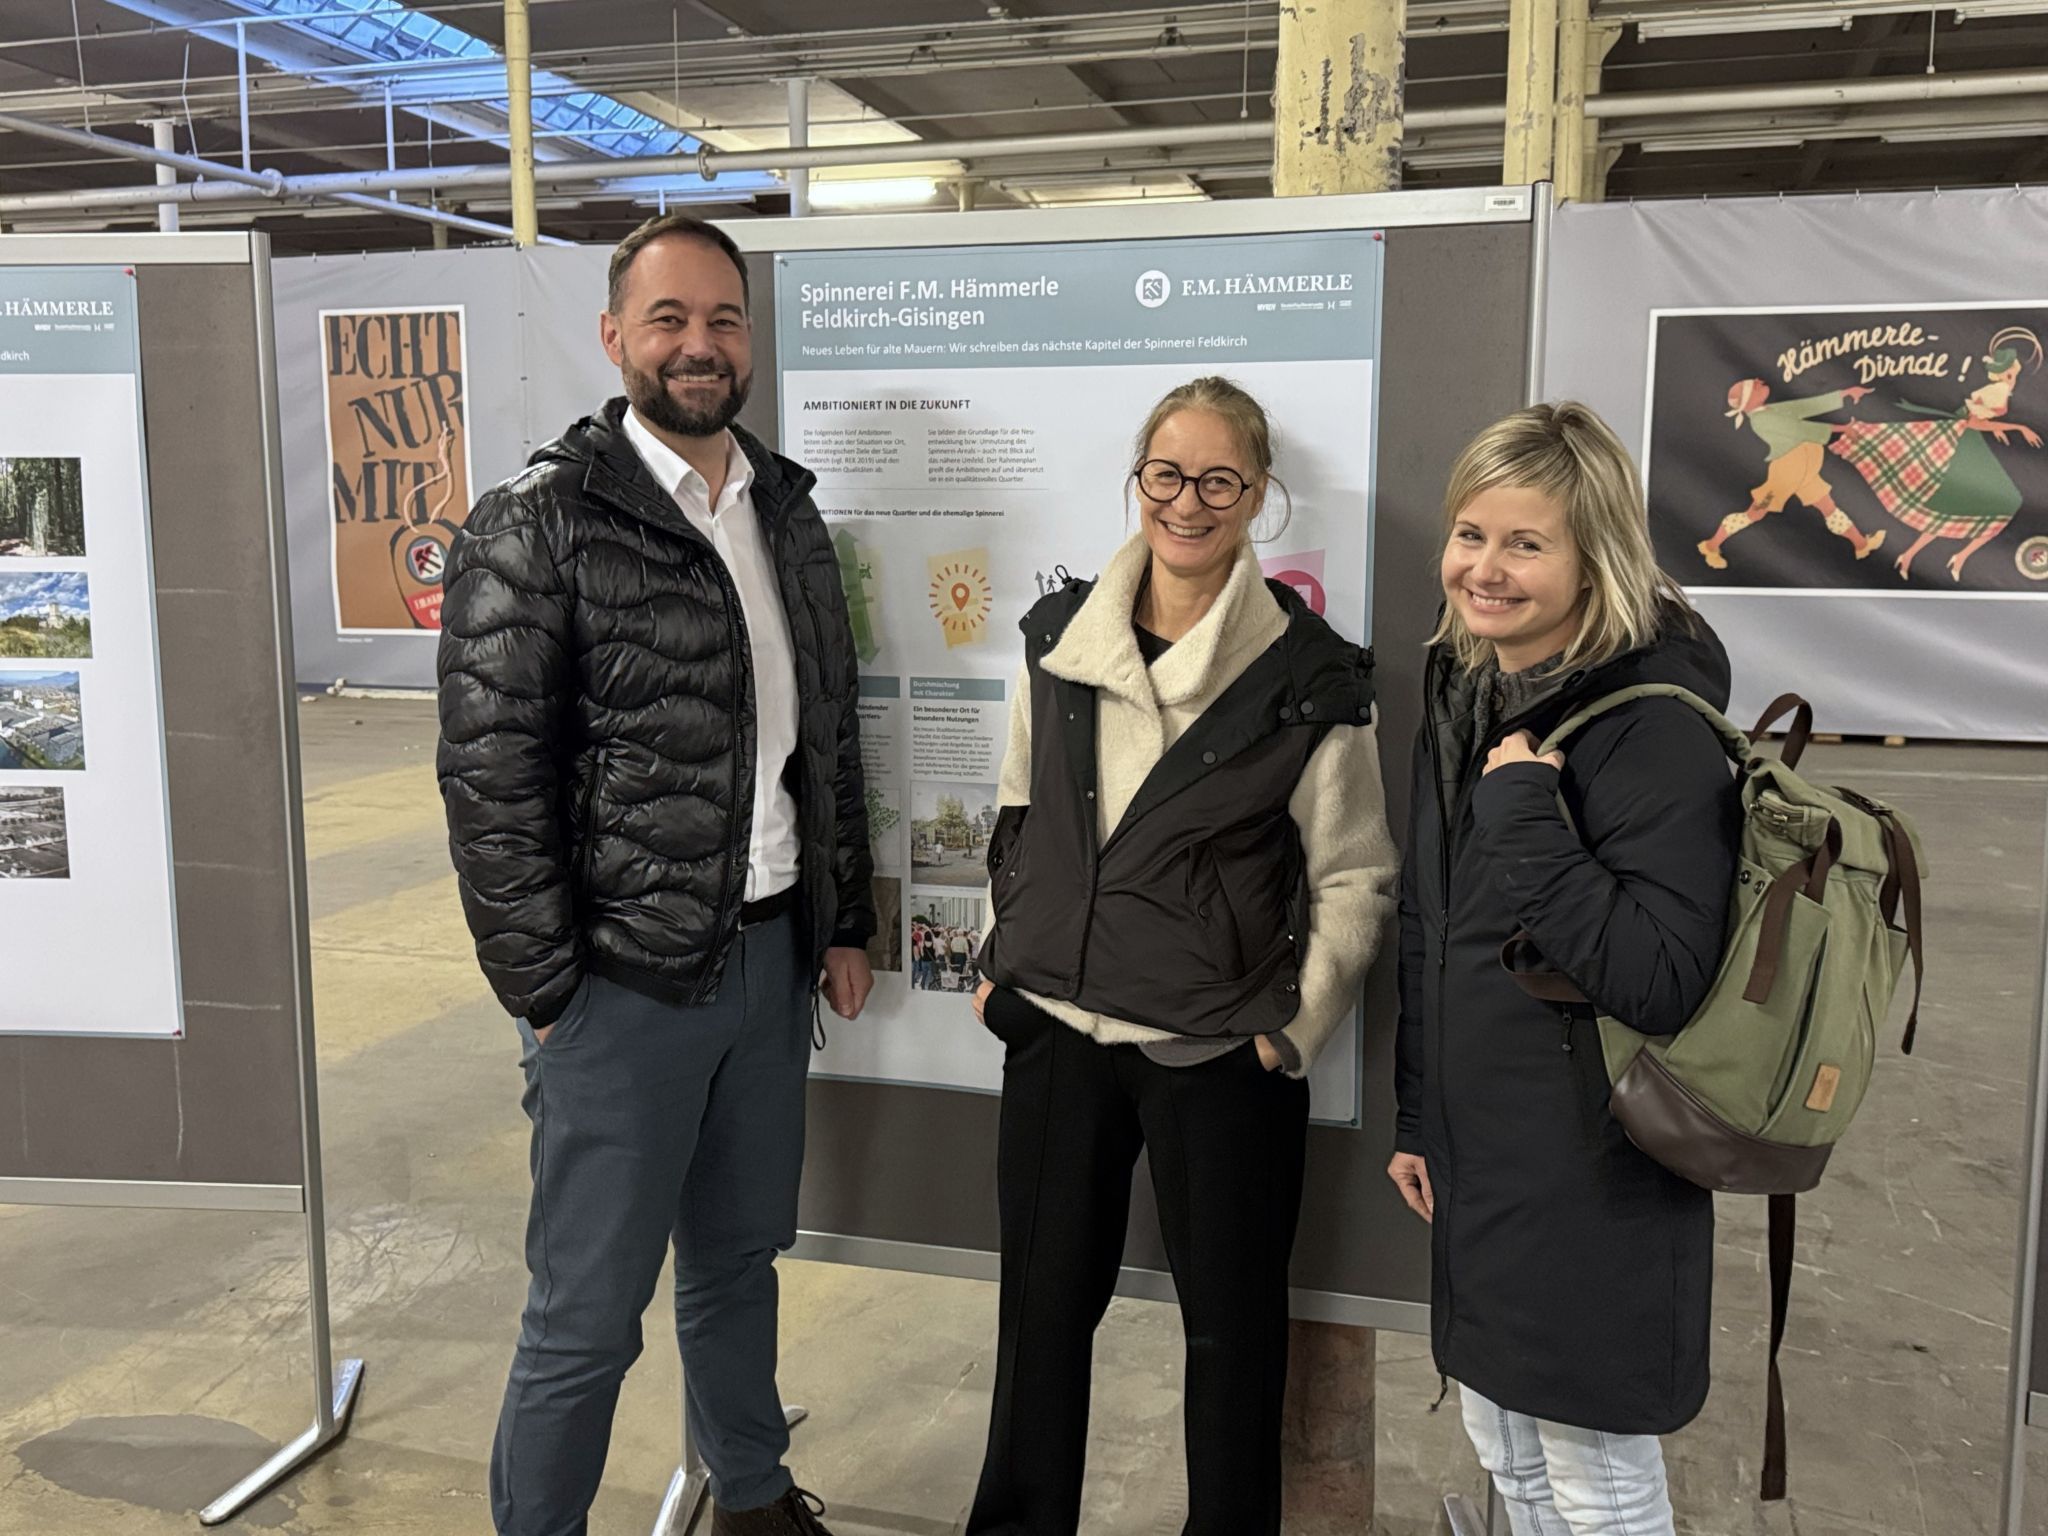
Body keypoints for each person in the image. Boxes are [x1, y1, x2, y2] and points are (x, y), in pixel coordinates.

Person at [437, 212, 874, 1536]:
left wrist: (842, 921)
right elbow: (490, 780)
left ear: (749, 340)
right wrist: (546, 992)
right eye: (668, 318)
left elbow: (829, 737)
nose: (699, 344)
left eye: (723, 319)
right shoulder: (539, 521)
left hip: (769, 961)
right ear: (614, 335)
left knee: (739, 1260)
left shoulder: (783, 511)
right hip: (620, 988)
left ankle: (753, 1497)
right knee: (586, 1316)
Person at [967, 376, 1398, 1535]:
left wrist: (1289, 1031)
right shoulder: (1059, 637)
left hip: (1214, 1049)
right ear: (1137, 478)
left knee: (1230, 1335)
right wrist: (1003, 955)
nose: (1186, 502)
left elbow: (1353, 871)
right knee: (1037, 1320)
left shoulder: (1309, 675)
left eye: (1218, 479)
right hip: (1059, 1028)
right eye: (1166, 473)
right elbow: (1017, 807)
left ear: (1256, 495)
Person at [1389, 402, 1741, 1536]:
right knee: (1506, 1448)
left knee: (1595, 1478)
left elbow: (1661, 977)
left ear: (1595, 558)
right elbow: (1432, 926)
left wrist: (1523, 816)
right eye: (1470, 535)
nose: (1483, 569)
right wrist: (1418, 1117)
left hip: (1593, 1164)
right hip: (1481, 1148)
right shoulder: (1469, 687)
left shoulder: (1653, 725)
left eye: (1525, 544)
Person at [1696, 377, 1883, 570]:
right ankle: (1711, 546)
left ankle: (1861, 544)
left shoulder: (1770, 410)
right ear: (1748, 400)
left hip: (1805, 471)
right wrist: (1842, 428)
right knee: (1755, 512)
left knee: (1828, 507)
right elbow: (1800, 430)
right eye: (1753, 386)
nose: (1759, 382)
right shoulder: (1761, 420)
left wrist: (1845, 393)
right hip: (1787, 473)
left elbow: (1805, 406)